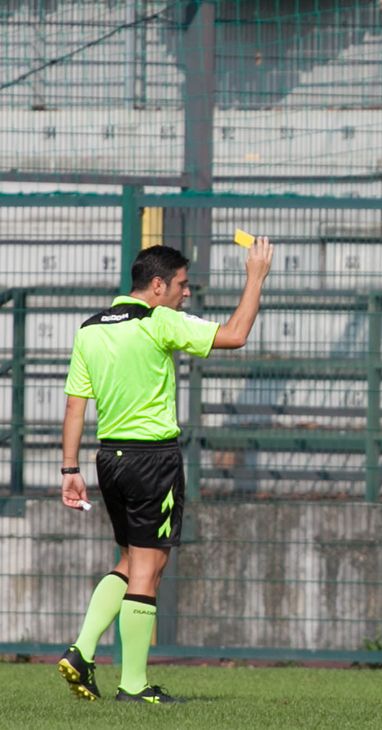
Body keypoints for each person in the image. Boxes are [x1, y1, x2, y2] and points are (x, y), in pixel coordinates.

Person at [57, 239, 274, 703]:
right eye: (181, 284)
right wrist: (255, 276)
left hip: (108, 460)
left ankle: (81, 651)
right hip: (153, 460)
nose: (186, 293)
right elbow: (235, 335)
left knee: (130, 561)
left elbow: (76, 404)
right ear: (157, 285)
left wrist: (68, 468)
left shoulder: (91, 328)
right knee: (149, 570)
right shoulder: (157, 321)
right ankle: (133, 686)